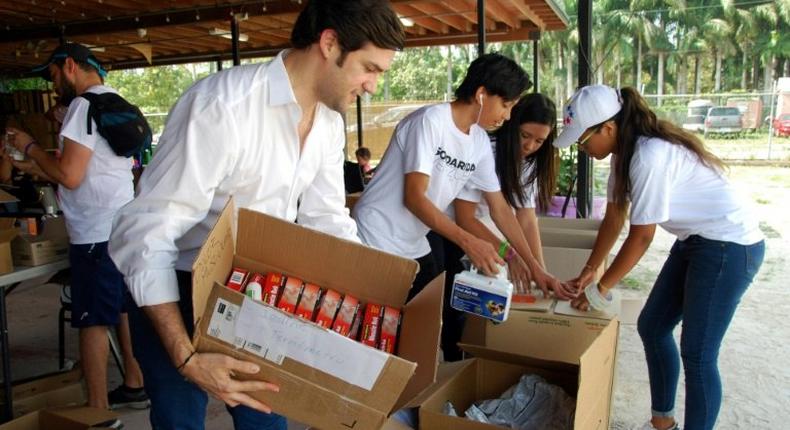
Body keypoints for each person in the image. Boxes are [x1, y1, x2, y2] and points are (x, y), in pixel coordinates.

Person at [107, 1, 405, 429]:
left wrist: (376, 297)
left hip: (255, 291)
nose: (373, 86)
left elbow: (326, 219)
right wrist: (186, 354)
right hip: (175, 285)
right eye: (369, 68)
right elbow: (145, 233)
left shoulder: (328, 123)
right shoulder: (223, 106)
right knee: (180, 421)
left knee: (266, 421)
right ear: (329, 43)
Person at [557, 85, 765, 430]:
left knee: (698, 354)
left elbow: (642, 237)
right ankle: (662, 423)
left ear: (607, 128)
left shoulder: (649, 155)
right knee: (653, 327)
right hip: (696, 242)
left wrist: (601, 289)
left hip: (730, 247)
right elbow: (614, 218)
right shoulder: (624, 157)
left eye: (582, 140)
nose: (581, 148)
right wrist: (591, 269)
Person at [352, 54, 571, 360]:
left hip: (413, 243)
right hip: (375, 236)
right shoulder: (431, 122)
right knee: (377, 331)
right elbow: (414, 197)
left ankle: (412, 399)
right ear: (482, 95)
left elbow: (501, 209)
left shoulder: (478, 141)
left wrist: (534, 266)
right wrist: (471, 242)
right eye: (506, 105)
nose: (508, 117)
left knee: (425, 329)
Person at [6, 43, 148, 415]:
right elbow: (86, 171)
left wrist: (30, 146)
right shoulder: (113, 100)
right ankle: (135, 383)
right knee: (120, 311)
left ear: (69, 66)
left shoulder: (83, 107)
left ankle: (96, 408)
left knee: (91, 321)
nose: (53, 86)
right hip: (119, 226)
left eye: (53, 75)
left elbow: (69, 175)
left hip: (93, 235)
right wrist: (38, 167)